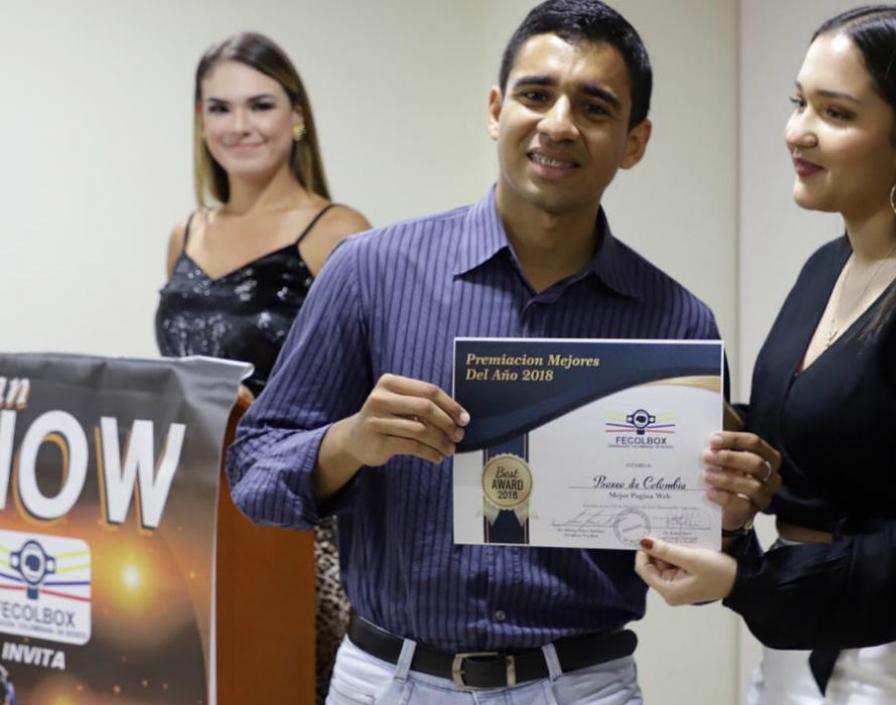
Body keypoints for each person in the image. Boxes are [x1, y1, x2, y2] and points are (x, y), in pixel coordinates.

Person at [226, 3, 758, 704]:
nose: (559, 123)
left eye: (594, 107)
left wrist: (730, 512)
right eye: (536, 95)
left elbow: (707, 565)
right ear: (495, 109)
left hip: (583, 685)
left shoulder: (678, 325)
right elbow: (255, 477)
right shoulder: (370, 272)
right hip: (388, 680)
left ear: (635, 141)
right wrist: (352, 440)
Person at [635, 6, 896, 704]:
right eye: (800, 102)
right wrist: (730, 512)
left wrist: (754, 582)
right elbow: (787, 466)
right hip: (802, 635)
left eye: (836, 112)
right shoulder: (824, 268)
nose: (799, 131)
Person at [154, 31, 371, 703]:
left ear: (297, 116)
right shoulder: (185, 234)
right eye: (219, 108)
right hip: (194, 518)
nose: (239, 125)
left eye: (260, 105)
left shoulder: (339, 232)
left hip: (300, 529)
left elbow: (365, 393)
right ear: (199, 121)